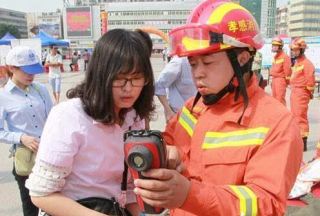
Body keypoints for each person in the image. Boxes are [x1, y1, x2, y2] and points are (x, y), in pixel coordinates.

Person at [132, 1, 303, 216]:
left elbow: (266, 205)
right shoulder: (193, 108)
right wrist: (166, 154)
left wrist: (190, 196)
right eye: (193, 64)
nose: (198, 74)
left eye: (208, 63)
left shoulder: (277, 124)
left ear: (242, 60)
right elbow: (168, 143)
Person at [25, 29, 158, 216]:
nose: (129, 89)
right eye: (119, 79)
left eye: (137, 78)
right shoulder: (69, 116)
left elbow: (129, 191)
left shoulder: (135, 118)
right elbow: (41, 194)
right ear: (101, 75)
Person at [0, 45, 53, 216]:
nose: (32, 75)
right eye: (26, 71)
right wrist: (21, 137)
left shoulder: (40, 90)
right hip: (26, 160)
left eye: (34, 70)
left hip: (49, 157)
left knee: (53, 204)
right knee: (30, 207)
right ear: (11, 68)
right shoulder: (3, 96)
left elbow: (53, 120)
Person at [290, 38, 315, 152]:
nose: (294, 52)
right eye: (292, 50)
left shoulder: (307, 64)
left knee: (300, 117)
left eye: (296, 50)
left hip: (301, 93)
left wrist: (308, 93)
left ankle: (303, 141)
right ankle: (298, 139)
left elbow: (310, 82)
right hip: (295, 92)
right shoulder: (298, 63)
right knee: (295, 116)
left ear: (302, 50)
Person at [155, 56, 197, 122]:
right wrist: (168, 110)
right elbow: (159, 85)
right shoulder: (179, 62)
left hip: (198, 113)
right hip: (178, 115)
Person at [270, 36, 292, 106]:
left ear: (280, 46)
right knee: (274, 99)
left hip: (281, 80)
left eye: (276, 45)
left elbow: (288, 72)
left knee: (280, 99)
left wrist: (287, 82)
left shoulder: (285, 57)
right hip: (274, 79)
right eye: (273, 45)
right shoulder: (275, 57)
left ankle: (283, 115)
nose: (274, 47)